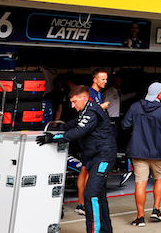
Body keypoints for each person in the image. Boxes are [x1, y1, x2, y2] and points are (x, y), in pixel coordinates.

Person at [37, 84, 116, 233]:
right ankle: (106, 230)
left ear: (84, 98)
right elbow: (72, 124)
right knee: (98, 195)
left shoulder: (92, 111)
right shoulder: (86, 110)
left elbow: (79, 131)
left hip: (104, 156)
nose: (72, 106)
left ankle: (94, 231)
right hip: (94, 156)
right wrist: (56, 129)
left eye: (74, 102)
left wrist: (54, 138)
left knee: (90, 194)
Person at [122, 82, 161, 226]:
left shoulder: (135, 107)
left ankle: (140, 217)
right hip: (157, 152)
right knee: (159, 178)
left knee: (140, 183)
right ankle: (156, 210)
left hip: (138, 151)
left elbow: (125, 125)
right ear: (159, 94)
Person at [74, 70, 112, 210]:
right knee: (86, 170)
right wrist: (101, 108)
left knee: (87, 170)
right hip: (88, 138)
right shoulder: (89, 93)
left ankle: (82, 202)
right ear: (95, 80)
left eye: (106, 79)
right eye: (103, 79)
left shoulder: (98, 94)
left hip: (93, 137)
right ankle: (81, 203)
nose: (105, 82)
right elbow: (86, 112)